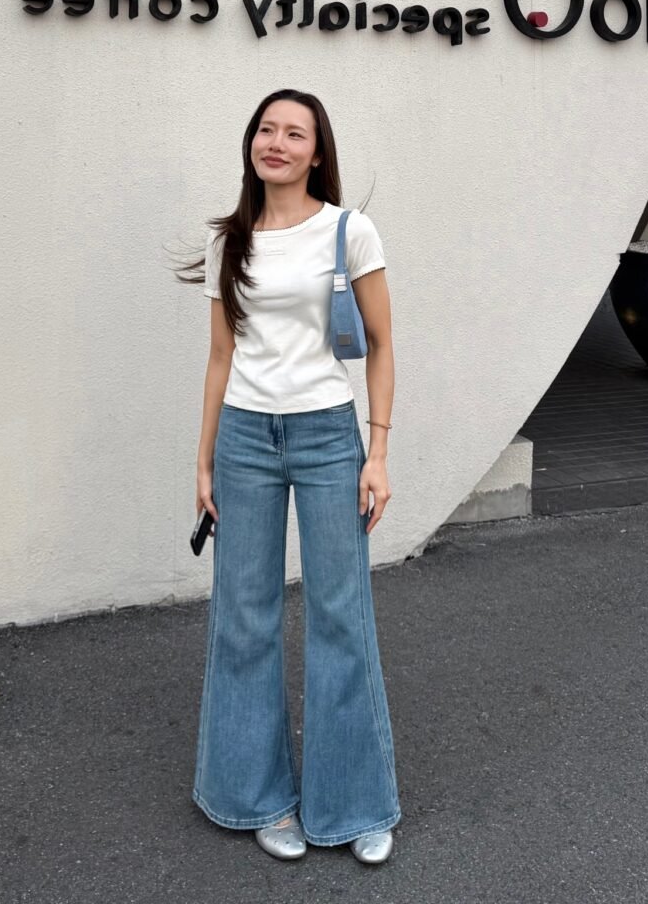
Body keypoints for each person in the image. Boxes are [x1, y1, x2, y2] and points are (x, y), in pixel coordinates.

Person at [187, 88, 400, 863]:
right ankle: (255, 797)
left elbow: (379, 344)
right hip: (244, 436)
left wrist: (375, 452)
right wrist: (204, 458)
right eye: (266, 129)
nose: (276, 142)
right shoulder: (229, 241)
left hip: (324, 438)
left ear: (317, 151)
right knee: (244, 617)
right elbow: (220, 357)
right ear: (252, 144)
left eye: (294, 132)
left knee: (341, 615)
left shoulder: (348, 231)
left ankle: (354, 804)